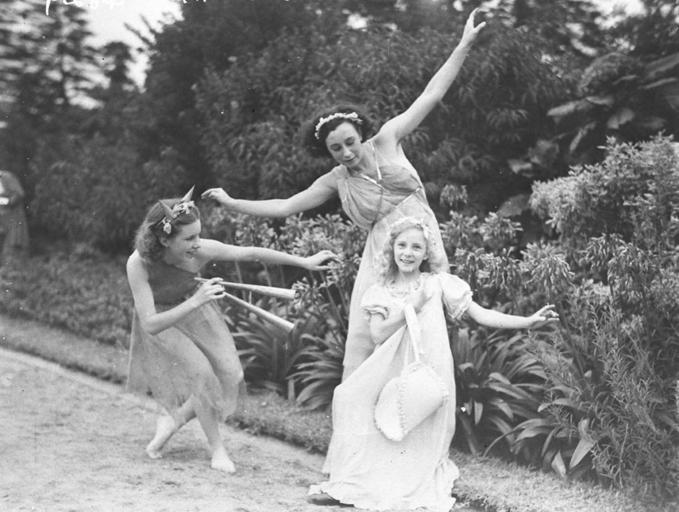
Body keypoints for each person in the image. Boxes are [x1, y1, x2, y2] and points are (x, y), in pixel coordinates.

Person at [202, 9, 487, 381]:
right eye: (336, 149)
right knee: (369, 333)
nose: (347, 153)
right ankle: (361, 405)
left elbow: (432, 94)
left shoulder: (388, 139)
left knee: (427, 320)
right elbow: (285, 206)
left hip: (422, 243)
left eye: (350, 142)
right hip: (382, 253)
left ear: (361, 132)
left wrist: (464, 44)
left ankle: (418, 402)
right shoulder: (335, 180)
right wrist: (231, 201)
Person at [308, 217, 559, 510]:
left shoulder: (437, 283)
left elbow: (481, 314)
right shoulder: (380, 290)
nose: (408, 253)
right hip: (388, 371)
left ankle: (405, 483)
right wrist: (411, 307)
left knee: (419, 430)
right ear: (392, 249)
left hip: (428, 368)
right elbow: (378, 333)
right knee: (351, 400)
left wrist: (527, 321)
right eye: (402, 245)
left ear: (426, 253)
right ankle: (354, 483)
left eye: (416, 247)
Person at [125, 188, 337, 473]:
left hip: (195, 309)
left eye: (199, 235)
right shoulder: (138, 264)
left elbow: (250, 253)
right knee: (202, 375)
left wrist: (304, 261)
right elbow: (151, 323)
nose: (197, 244)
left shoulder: (200, 250)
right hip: (163, 320)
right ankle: (217, 450)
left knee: (232, 375)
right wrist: (197, 300)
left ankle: (174, 419)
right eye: (189, 238)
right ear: (164, 239)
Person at [0, 169, 29, 263]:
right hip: (2, 222)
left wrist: (4, 202)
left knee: (12, 250)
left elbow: (19, 195)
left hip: (13, 220)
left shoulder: (6, 177)